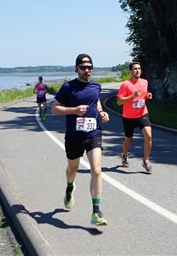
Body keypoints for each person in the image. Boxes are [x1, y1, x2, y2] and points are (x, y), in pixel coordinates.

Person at [51, 53, 110, 226]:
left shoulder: (96, 86)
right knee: (72, 168)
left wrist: (101, 113)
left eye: (90, 67)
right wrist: (74, 110)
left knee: (97, 170)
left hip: (93, 134)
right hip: (74, 136)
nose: (87, 70)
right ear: (76, 69)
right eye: (83, 67)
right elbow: (55, 109)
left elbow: (96, 100)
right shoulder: (68, 87)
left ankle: (96, 212)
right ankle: (70, 187)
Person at [116, 61, 154, 173]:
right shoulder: (125, 84)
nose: (137, 71)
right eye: (135, 69)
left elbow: (144, 93)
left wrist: (148, 95)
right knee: (129, 139)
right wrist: (132, 96)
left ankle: (146, 161)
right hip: (128, 116)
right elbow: (119, 102)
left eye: (139, 68)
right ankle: (124, 155)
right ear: (130, 71)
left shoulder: (144, 82)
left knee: (148, 136)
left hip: (142, 114)